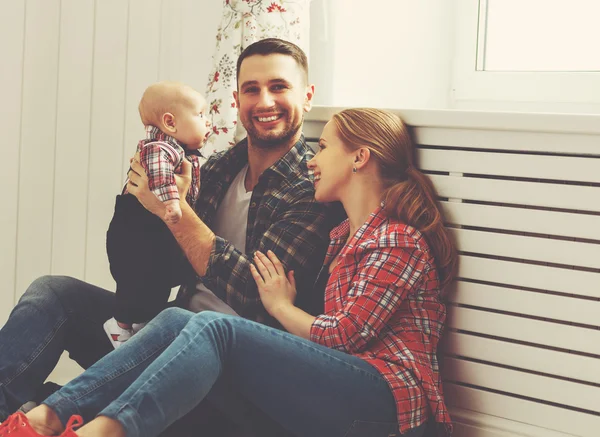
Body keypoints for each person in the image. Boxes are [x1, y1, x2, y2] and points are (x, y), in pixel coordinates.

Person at [0, 108, 458, 437]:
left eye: (324, 148)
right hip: (337, 385)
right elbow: (143, 282)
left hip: (394, 405)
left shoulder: (397, 238)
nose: (315, 160)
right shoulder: (342, 235)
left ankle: (102, 433)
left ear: (360, 158)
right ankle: (43, 421)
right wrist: (150, 207)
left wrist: (280, 306)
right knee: (181, 319)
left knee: (216, 328)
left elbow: (344, 336)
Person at [0, 38, 340, 435]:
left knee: (179, 321)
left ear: (308, 95)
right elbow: (147, 272)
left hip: (227, 371)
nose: (264, 100)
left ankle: (49, 417)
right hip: (156, 335)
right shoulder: (214, 168)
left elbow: (257, 299)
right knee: (54, 292)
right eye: (252, 89)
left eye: (279, 86)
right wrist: (138, 209)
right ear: (237, 99)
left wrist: (175, 214)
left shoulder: (313, 186)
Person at [103, 81, 209, 348]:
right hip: (137, 229)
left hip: (155, 231)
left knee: (154, 285)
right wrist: (173, 203)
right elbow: (161, 181)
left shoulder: (184, 153)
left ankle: (136, 325)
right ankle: (121, 326)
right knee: (137, 281)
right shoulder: (159, 149)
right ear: (170, 123)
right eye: (200, 115)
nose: (207, 122)